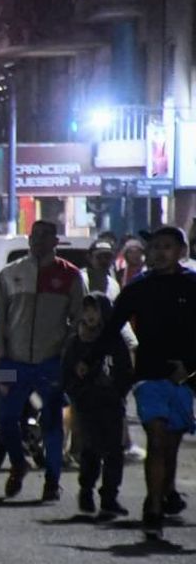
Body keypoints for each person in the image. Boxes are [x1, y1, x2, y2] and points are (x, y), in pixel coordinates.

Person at [85, 226, 196, 539]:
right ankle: (153, 508)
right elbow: (111, 329)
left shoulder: (192, 285)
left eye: (168, 246)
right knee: (157, 439)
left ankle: (164, 492)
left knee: (171, 446)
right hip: (149, 376)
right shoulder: (138, 288)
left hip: (184, 380)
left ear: (181, 252)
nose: (160, 252)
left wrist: (190, 371)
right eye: (155, 246)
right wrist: (88, 360)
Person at [0, 220, 84, 502]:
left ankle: (52, 480)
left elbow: (78, 317)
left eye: (45, 236)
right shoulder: (11, 274)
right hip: (14, 361)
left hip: (50, 361)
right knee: (6, 420)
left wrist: (66, 349)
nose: (39, 241)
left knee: (53, 422)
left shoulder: (70, 276)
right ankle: (19, 464)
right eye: (35, 235)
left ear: (55, 241)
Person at [62, 293, 133, 517]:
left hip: (111, 404)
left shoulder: (114, 341)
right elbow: (66, 373)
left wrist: (118, 392)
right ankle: (86, 490)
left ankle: (109, 496)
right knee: (90, 449)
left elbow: (125, 371)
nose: (91, 316)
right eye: (87, 310)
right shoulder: (76, 341)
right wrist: (77, 393)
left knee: (114, 451)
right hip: (86, 404)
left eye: (95, 310)